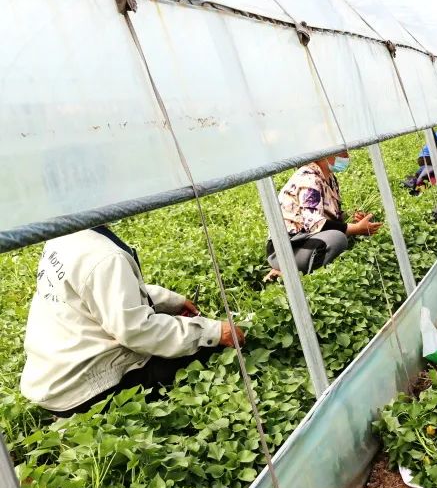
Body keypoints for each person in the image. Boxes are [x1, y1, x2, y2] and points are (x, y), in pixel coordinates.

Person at [20, 226, 245, 416]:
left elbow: (103, 293)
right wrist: (214, 332)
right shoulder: (104, 256)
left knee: (175, 330)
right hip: (83, 390)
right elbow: (137, 331)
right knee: (206, 350)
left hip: (53, 378)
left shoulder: (65, 235)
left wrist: (171, 301)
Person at [268, 151, 382, 276]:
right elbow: (314, 223)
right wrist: (356, 228)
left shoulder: (329, 177)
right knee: (337, 238)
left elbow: (329, 214)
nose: (346, 157)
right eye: (341, 153)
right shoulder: (309, 179)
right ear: (324, 154)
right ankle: (293, 276)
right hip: (287, 249)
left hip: (308, 240)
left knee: (344, 234)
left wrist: (351, 217)